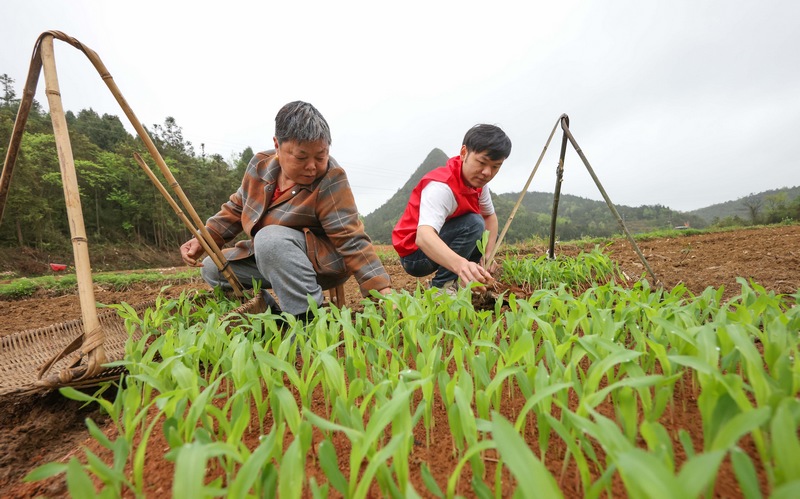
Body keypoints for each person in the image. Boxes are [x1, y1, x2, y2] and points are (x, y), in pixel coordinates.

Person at [180, 101, 391, 320]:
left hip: (323, 264)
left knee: (269, 238)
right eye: (301, 157)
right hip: (271, 256)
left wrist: (381, 289)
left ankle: (307, 320)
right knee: (212, 267)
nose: (312, 166)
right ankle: (273, 317)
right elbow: (236, 208)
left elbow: (350, 238)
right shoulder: (259, 166)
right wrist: (204, 238)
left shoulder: (331, 178)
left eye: (320, 156)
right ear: (277, 146)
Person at [392, 124, 511, 293]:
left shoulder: (479, 183)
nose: (487, 172)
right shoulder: (441, 187)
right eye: (482, 162)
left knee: (482, 230)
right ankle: (442, 288)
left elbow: (490, 218)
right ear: (464, 153)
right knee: (474, 223)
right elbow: (423, 237)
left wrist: (487, 255)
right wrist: (461, 265)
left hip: (438, 243)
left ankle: (465, 285)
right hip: (415, 256)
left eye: (495, 166)